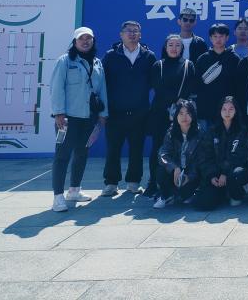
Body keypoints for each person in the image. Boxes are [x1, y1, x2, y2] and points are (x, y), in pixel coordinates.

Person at [49, 27, 108, 212]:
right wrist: (59, 113)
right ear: (75, 42)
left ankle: (74, 190)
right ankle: (58, 197)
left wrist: (103, 114)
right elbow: (56, 88)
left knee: (82, 154)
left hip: (89, 117)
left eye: (89, 38)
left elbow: (102, 89)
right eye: (81, 38)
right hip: (68, 118)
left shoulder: (97, 63)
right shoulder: (65, 61)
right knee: (62, 156)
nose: (85, 41)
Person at [100, 20, 157, 197]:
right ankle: (111, 183)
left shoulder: (148, 56)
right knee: (113, 149)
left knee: (137, 149)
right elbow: (102, 82)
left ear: (140, 35)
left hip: (139, 112)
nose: (132, 34)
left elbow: (153, 82)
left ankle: (133, 182)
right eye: (128, 31)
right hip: (115, 112)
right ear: (121, 34)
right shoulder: (111, 56)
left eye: (135, 31)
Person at [145, 34, 196, 197]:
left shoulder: (188, 65)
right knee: (157, 148)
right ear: (165, 47)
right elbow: (157, 87)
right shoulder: (158, 65)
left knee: (181, 148)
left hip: (181, 114)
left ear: (182, 48)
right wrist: (174, 99)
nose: (174, 48)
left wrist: (180, 101)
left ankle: (179, 183)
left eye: (177, 45)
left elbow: (190, 86)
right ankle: (153, 183)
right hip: (160, 113)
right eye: (171, 45)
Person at [194, 96, 248, 209]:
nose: (227, 112)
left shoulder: (243, 130)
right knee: (203, 203)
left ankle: (236, 194)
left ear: (236, 111)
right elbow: (205, 156)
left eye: (231, 109)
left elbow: (241, 156)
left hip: (234, 172)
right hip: (216, 174)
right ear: (220, 111)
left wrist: (225, 173)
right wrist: (212, 176)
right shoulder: (212, 131)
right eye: (224, 109)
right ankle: (222, 193)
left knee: (236, 176)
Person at [153, 99, 203, 208]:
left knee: (184, 195)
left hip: (191, 174)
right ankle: (166, 196)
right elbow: (163, 154)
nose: (184, 117)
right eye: (181, 113)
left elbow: (201, 160)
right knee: (161, 171)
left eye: (188, 113)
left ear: (193, 115)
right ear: (176, 116)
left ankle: (187, 193)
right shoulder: (171, 133)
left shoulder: (200, 134)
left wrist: (189, 177)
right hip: (176, 171)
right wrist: (174, 168)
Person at [194, 23, 239, 129]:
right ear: (210, 38)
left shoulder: (234, 59)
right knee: (205, 139)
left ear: (227, 38)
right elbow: (197, 84)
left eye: (221, 36)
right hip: (206, 110)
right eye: (215, 36)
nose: (218, 39)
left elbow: (238, 85)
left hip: (227, 112)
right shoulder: (202, 59)